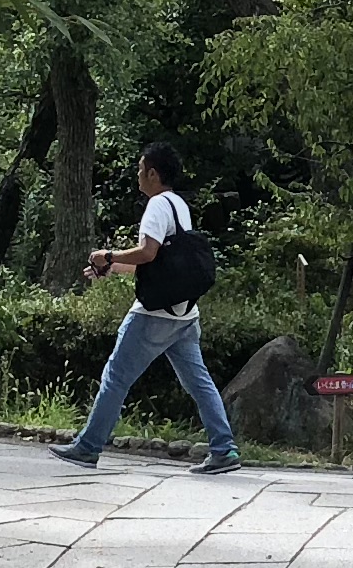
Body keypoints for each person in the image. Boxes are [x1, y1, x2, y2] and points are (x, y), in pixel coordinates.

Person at [54, 141, 242, 472]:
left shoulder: (156, 206)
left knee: (115, 376)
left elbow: (148, 253)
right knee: (198, 382)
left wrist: (107, 255)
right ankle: (224, 449)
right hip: (185, 314)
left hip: (154, 315)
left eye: (140, 170)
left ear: (153, 173)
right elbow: (162, 263)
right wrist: (112, 269)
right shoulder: (179, 206)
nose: (138, 175)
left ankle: (88, 446)